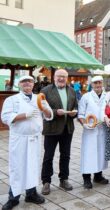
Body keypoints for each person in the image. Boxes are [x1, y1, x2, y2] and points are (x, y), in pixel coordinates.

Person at [1, 75, 53, 210]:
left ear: (33, 84)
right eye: (24, 82)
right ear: (19, 84)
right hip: (19, 139)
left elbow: (48, 116)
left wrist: (46, 109)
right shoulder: (12, 99)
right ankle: (14, 197)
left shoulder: (39, 98)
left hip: (35, 139)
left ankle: (31, 193)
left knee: (33, 166)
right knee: (17, 167)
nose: (27, 84)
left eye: (29, 81)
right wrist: (25, 115)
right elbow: (5, 117)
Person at [40, 69, 78, 195]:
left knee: (65, 155)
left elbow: (75, 106)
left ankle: (64, 179)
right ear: (54, 77)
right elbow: (43, 109)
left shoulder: (72, 90)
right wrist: (56, 112)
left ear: (67, 78)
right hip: (52, 128)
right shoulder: (45, 91)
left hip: (67, 129)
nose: (61, 79)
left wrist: (73, 113)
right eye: (59, 76)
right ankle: (46, 181)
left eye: (64, 76)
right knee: (48, 156)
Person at [78, 76, 108, 189]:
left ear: (102, 83)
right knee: (88, 154)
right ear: (92, 84)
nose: (98, 85)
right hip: (89, 131)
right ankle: (86, 178)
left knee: (100, 153)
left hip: (102, 129)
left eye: (100, 83)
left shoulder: (106, 96)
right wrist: (84, 124)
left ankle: (98, 176)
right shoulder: (86, 97)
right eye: (95, 83)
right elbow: (80, 114)